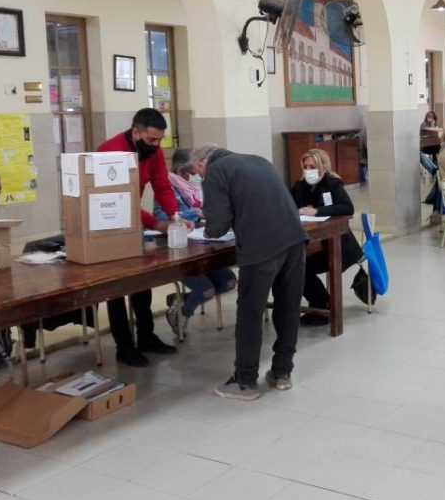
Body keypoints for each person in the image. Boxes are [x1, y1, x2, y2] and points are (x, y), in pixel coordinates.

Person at [192, 143, 308, 400]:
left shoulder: (215, 172)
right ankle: (282, 373)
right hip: (295, 240)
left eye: (198, 173)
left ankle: (244, 381)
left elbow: (217, 227)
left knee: (250, 313)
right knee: (288, 307)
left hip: (261, 248)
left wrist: (206, 224)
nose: (200, 176)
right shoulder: (258, 159)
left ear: (201, 165)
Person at [98, 108, 186, 367]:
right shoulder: (109, 151)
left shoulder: (154, 152)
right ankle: (124, 346)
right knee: (117, 287)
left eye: (160, 139)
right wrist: (154, 222)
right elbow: (116, 200)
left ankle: (146, 337)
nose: (156, 145)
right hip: (108, 222)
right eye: (151, 140)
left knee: (141, 282)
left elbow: (162, 186)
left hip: (133, 222)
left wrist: (176, 216)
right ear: (135, 132)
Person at [153, 148, 236, 336]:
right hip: (179, 248)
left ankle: (181, 299)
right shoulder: (167, 186)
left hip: (203, 245)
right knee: (206, 290)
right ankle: (181, 312)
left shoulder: (196, 188)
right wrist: (194, 213)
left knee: (229, 282)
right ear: (182, 171)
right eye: (192, 173)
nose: (196, 176)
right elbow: (160, 216)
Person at [290, 148, 364, 327]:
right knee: (293, 266)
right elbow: (287, 204)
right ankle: (320, 302)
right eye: (306, 166)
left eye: (313, 166)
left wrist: (317, 212)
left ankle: (323, 305)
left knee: (302, 267)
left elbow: (347, 208)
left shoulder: (332, 184)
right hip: (313, 244)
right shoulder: (299, 187)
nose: (309, 170)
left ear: (323, 167)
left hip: (338, 246)